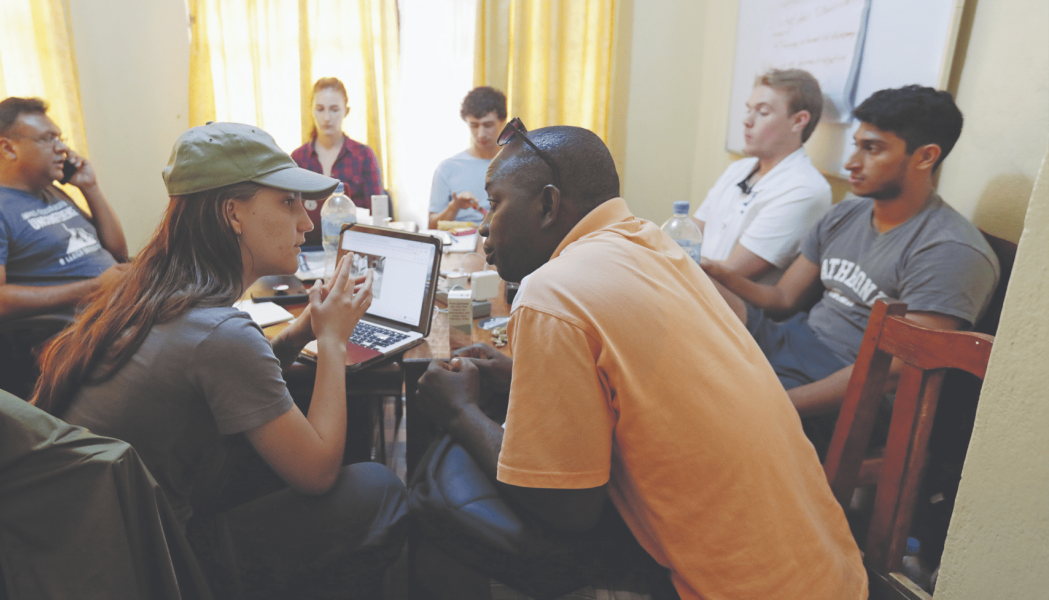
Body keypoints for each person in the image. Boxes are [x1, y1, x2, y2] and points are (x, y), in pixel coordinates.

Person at [412, 122, 866, 599]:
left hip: (728, 589)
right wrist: (516, 373)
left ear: (547, 205)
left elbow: (569, 508)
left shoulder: (550, 292)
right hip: (830, 574)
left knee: (437, 497)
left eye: (495, 202)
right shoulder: (654, 244)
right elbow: (645, 386)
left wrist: (458, 412)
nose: (484, 224)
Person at [31, 123, 408, 598]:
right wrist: (333, 340)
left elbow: (224, 379)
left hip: (91, 546)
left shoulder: (145, 291)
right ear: (233, 213)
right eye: (288, 202)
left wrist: (299, 332)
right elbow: (317, 475)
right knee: (377, 487)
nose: (306, 223)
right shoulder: (220, 335)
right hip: (163, 564)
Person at [703, 85, 999, 454]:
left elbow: (895, 371)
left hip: (849, 389)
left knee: (704, 409)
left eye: (871, 148)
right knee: (682, 309)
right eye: (856, 144)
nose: (851, 163)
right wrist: (714, 274)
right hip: (792, 341)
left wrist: (779, 403)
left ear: (925, 157)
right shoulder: (847, 214)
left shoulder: (950, 250)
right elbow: (782, 298)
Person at [0, 97, 130, 324]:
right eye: (49, 139)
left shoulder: (50, 191)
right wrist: (95, 288)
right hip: (86, 329)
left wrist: (89, 188)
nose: (62, 148)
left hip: (124, 305)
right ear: (8, 148)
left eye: (61, 138)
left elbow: (118, 253)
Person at [692, 69, 832, 283]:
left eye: (762, 112)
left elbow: (732, 272)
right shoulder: (738, 170)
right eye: (748, 110)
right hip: (693, 283)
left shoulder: (805, 189)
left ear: (798, 121)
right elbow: (689, 234)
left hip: (730, 305)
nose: (747, 121)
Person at [291, 77, 384, 244]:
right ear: (311, 110)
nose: (327, 118)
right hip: (306, 248)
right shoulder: (298, 159)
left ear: (346, 111)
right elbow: (287, 215)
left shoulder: (363, 156)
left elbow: (377, 215)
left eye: (334, 110)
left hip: (354, 247)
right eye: (320, 109)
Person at [427, 86, 506, 228]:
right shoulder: (447, 168)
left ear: (503, 122)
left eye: (488, 125)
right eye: (474, 125)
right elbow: (432, 226)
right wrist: (454, 207)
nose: (481, 134)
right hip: (461, 244)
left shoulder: (517, 164)